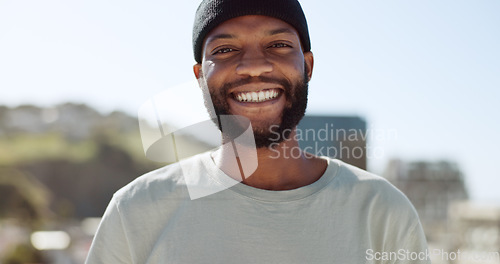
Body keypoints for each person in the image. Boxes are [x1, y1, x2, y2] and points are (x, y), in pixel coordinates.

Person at [86, 0, 430, 263]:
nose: (253, 66)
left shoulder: (382, 211)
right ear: (199, 77)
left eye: (278, 45)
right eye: (225, 50)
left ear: (307, 66)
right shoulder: (135, 211)